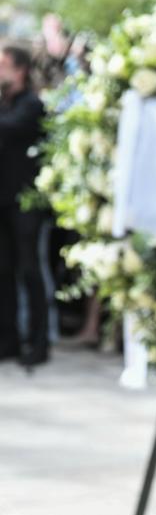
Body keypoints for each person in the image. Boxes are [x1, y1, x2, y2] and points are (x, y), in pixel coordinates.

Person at [0, 45, 49, 367]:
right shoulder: (5, 103)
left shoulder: (31, 104)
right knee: (3, 272)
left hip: (26, 202)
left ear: (20, 70)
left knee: (30, 270)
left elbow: (11, 127)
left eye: (2, 64)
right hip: (3, 201)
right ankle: (9, 340)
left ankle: (39, 342)